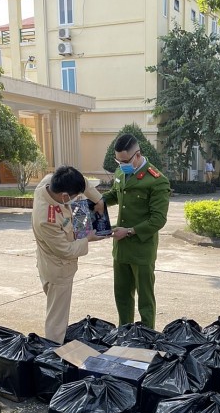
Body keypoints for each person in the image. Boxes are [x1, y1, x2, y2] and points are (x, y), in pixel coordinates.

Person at [96, 133, 170, 329]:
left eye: (125, 160)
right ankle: (125, 333)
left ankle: (147, 338)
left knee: (145, 301)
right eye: (118, 161)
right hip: (120, 249)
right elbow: (115, 194)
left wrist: (128, 231)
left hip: (141, 250)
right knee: (122, 296)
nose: (121, 165)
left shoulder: (156, 181)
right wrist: (101, 201)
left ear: (137, 155)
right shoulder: (121, 173)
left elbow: (158, 219)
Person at [32, 165, 109, 344]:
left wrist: (98, 200)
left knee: (80, 202)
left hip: (73, 232)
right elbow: (65, 250)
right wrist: (88, 238)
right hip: (57, 268)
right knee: (57, 318)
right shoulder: (46, 219)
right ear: (65, 196)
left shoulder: (50, 183)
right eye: (74, 196)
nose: (78, 197)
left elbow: (82, 184)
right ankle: (52, 354)